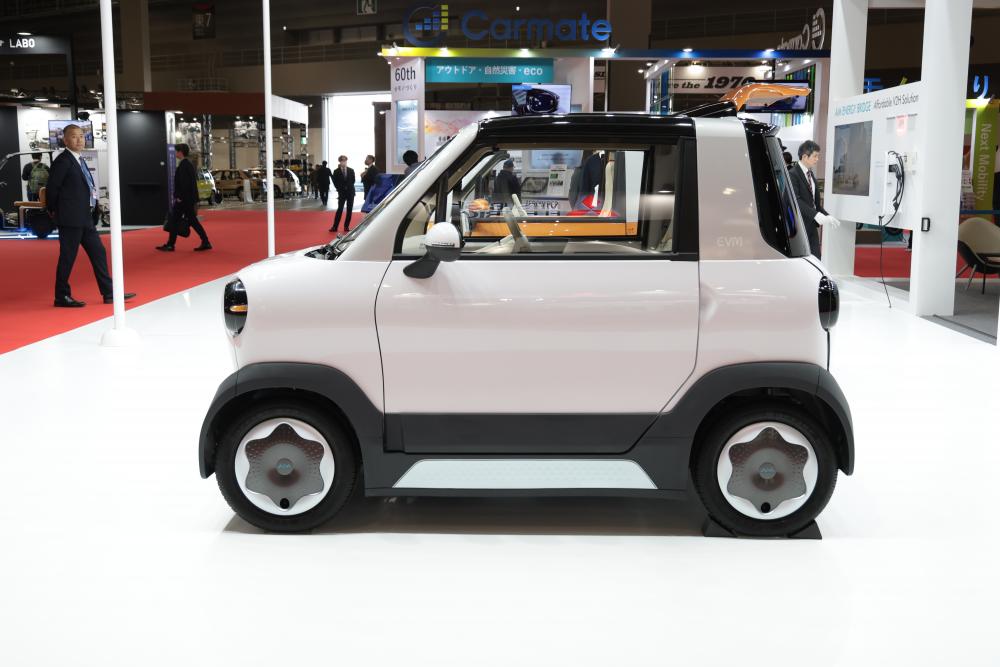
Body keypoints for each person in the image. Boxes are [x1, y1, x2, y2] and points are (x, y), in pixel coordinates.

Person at [46, 124, 135, 307]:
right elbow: (52, 189)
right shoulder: (63, 161)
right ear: (65, 140)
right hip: (70, 219)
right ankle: (61, 296)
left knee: (98, 252)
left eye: (81, 136)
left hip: (85, 218)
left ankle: (109, 292)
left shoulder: (79, 159)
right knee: (68, 257)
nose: (80, 140)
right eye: (74, 136)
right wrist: (54, 211)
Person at [788, 140, 841, 257]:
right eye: (815, 156)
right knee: (802, 259)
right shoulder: (792, 174)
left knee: (816, 257)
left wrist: (827, 215)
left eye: (818, 156)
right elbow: (796, 200)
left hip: (811, 224)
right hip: (799, 226)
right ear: (804, 157)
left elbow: (815, 204)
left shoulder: (810, 174)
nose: (817, 159)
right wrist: (815, 215)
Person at [156, 143, 212, 251]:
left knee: (175, 220)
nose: (175, 153)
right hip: (188, 199)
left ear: (180, 152)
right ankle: (205, 241)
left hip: (183, 200)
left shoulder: (184, 166)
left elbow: (184, 184)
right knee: (190, 221)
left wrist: (179, 197)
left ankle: (171, 244)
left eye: (176, 151)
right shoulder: (188, 164)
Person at [330, 155, 356, 232]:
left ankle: (346, 226)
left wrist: (348, 187)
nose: (343, 162)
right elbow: (335, 182)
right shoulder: (336, 171)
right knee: (340, 209)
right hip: (341, 193)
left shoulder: (351, 170)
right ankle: (335, 227)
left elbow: (353, 181)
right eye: (342, 160)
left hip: (350, 192)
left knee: (349, 209)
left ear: (346, 161)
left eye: (345, 160)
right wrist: (339, 188)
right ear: (340, 161)